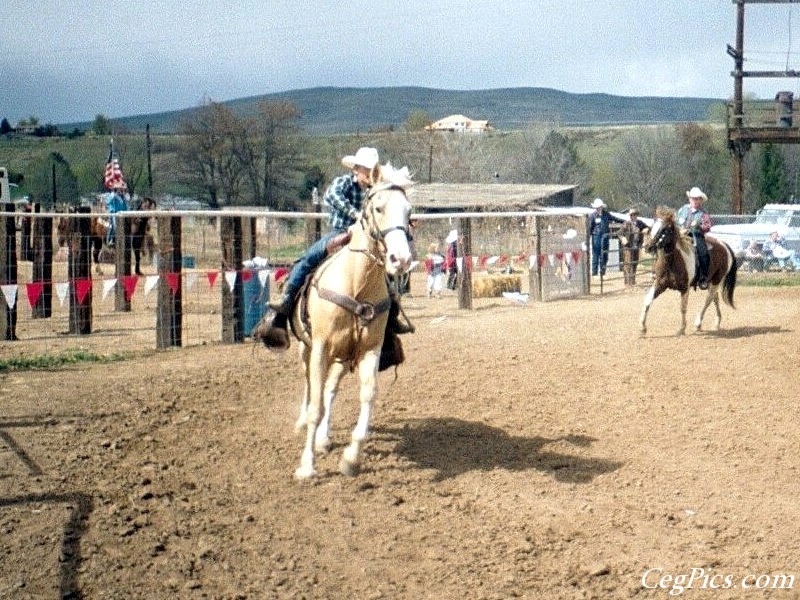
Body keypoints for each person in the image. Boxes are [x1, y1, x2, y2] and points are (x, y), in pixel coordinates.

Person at [259, 147, 412, 350]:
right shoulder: (343, 182)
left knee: (383, 272)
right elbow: (331, 196)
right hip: (339, 232)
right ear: (357, 169)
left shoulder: (375, 190)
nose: (369, 174)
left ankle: (390, 316)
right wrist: (355, 214)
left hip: (364, 236)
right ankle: (286, 302)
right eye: (366, 169)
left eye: (371, 170)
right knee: (309, 259)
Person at [677, 186, 712, 289]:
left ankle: (703, 278)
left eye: (698, 199)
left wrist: (699, 226)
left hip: (696, 236)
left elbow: (707, 227)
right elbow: (676, 220)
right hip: (680, 234)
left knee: (703, 253)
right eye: (694, 198)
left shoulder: (703, 213)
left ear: (701, 200)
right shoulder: (683, 209)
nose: (696, 201)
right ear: (690, 199)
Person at [588, 198, 623, 277]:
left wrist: (623, 221)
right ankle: (594, 273)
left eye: (600, 207)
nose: (599, 208)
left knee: (604, 255)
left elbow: (615, 218)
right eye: (597, 207)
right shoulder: (592, 216)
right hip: (596, 236)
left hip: (605, 236)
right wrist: (589, 238)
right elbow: (590, 228)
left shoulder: (606, 214)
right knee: (596, 254)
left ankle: (602, 272)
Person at [617, 207, 648, 286]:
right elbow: (619, 233)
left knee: (635, 263)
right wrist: (623, 238)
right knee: (628, 263)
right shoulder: (626, 223)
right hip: (628, 246)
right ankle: (627, 282)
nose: (633, 216)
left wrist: (646, 230)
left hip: (636, 245)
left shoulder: (640, 223)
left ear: (636, 215)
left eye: (634, 214)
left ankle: (632, 281)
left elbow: (648, 228)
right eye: (631, 215)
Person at [131, 197, 156, 275]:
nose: (147, 205)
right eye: (146, 204)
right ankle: (137, 269)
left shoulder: (143, 212)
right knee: (137, 252)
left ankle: (137, 269)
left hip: (141, 233)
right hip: (137, 234)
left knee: (137, 252)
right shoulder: (139, 212)